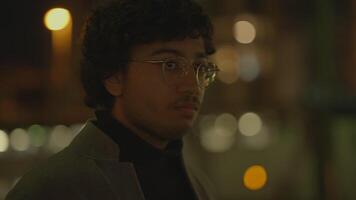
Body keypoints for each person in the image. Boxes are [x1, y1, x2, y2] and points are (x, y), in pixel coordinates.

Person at [6, 0, 219, 199]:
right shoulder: (55, 188)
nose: (193, 85)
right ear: (114, 76)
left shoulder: (198, 184)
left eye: (201, 68)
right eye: (170, 65)